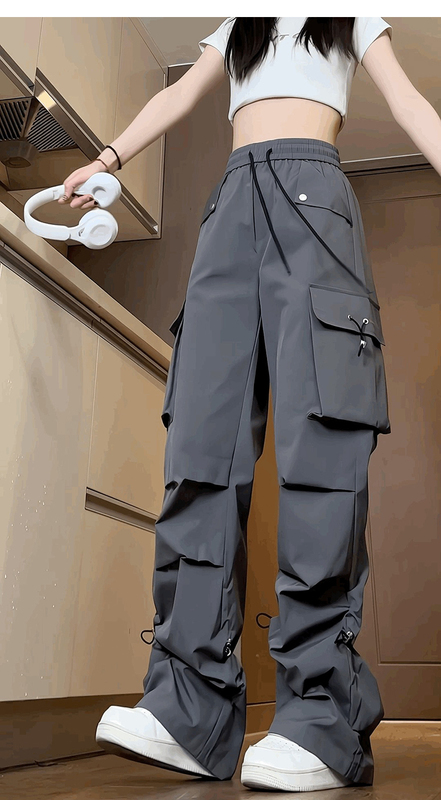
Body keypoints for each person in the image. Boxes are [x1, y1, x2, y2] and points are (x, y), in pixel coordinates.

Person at [61, 17, 441, 793]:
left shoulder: (349, 12)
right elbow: (177, 99)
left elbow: (408, 103)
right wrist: (104, 160)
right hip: (228, 211)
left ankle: (320, 717)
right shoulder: (239, 22)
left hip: (315, 203)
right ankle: (188, 708)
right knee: (201, 447)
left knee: (320, 444)